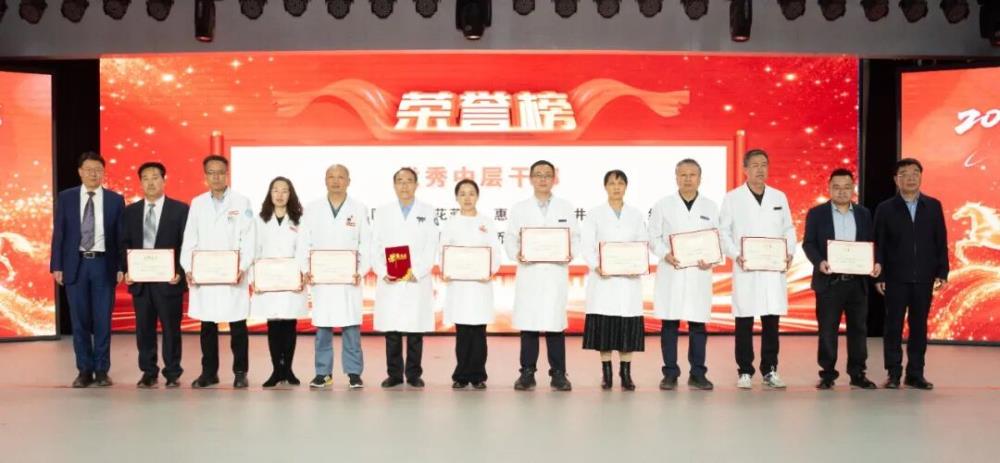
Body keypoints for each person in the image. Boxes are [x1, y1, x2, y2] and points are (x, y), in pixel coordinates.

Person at [719, 149, 796, 389]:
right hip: (747, 268)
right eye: (754, 165)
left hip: (772, 269)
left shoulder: (778, 197)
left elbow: (788, 228)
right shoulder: (733, 198)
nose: (760, 169)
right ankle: (744, 370)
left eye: (764, 164)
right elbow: (723, 232)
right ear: (745, 169)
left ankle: (770, 370)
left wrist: (789, 252)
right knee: (744, 321)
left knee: (771, 321)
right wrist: (736, 255)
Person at [180, 155, 256, 389]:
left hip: (233, 275)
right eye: (211, 173)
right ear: (205, 176)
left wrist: (242, 267)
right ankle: (209, 372)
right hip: (206, 276)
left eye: (220, 172)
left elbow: (249, 239)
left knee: (238, 326)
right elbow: (189, 238)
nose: (216, 177)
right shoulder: (197, 203)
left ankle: (240, 372)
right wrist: (189, 267)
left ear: (227, 174)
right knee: (208, 326)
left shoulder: (241, 202)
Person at [50, 151, 125, 388]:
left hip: (103, 264)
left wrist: (121, 266)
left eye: (98, 170)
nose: (94, 174)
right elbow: (59, 233)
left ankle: (102, 370)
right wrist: (57, 265)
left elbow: (120, 237)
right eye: (89, 169)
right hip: (76, 264)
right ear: (80, 172)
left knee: (103, 320)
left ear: (103, 173)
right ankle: (84, 370)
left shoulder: (115, 200)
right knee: (79, 321)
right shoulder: (67, 197)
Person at [504, 160, 580, 391]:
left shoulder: (565, 207)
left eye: (547, 174)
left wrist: (569, 252)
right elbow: (510, 238)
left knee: (555, 325)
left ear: (554, 179)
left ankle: (558, 374)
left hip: (555, 273)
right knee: (529, 326)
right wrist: (517, 253)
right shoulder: (520, 209)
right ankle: (527, 373)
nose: (543, 179)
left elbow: (575, 238)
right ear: (531, 179)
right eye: (538, 174)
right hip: (530, 274)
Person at [874, 158, 948, 390]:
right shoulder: (885, 208)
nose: (911, 177)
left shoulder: (933, 206)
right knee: (893, 326)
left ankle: (915, 374)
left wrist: (942, 271)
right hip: (895, 277)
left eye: (915, 173)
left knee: (919, 327)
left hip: (924, 277)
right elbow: (878, 244)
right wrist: (879, 276)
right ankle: (893, 373)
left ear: (921, 177)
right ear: (896, 180)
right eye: (904, 173)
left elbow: (940, 241)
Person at [802, 168, 880, 390]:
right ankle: (827, 374)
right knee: (827, 330)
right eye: (836, 187)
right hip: (829, 282)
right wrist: (819, 262)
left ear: (853, 188)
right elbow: (808, 244)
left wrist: (875, 262)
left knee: (858, 330)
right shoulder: (817, 213)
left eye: (847, 187)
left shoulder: (864, 213)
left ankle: (858, 373)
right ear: (829, 188)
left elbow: (872, 243)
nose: (842, 191)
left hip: (857, 282)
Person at [648, 158, 719, 391]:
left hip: (699, 273)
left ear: (700, 178)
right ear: (676, 177)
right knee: (669, 324)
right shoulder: (663, 205)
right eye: (683, 175)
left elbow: (717, 238)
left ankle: (698, 373)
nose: (687, 179)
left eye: (692, 175)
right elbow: (653, 237)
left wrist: (711, 258)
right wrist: (665, 254)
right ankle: (670, 373)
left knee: (698, 325)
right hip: (672, 271)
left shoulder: (710, 207)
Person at [119, 162, 189, 388]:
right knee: (144, 329)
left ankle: (172, 372)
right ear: (140, 182)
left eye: (155, 177)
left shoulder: (180, 210)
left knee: (171, 329)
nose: (150, 182)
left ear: (164, 180)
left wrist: (180, 272)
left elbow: (187, 244)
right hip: (140, 281)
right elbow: (124, 243)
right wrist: (127, 270)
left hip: (169, 280)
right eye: (146, 178)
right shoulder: (130, 212)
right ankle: (148, 372)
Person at [302, 164, 370, 389]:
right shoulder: (312, 209)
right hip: (321, 278)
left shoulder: (358, 208)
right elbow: (303, 242)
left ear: (348, 181)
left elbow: (366, 243)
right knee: (323, 326)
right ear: (325, 180)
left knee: (351, 327)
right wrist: (306, 269)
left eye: (341, 177)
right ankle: (323, 373)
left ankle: (353, 373)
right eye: (331, 176)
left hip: (348, 278)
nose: (336, 181)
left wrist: (360, 271)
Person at [371, 167, 439, 388]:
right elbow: (375, 246)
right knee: (392, 331)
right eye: (400, 181)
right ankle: (394, 374)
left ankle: (413, 374)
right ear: (394, 185)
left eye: (409, 180)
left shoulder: (428, 211)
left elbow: (431, 246)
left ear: (416, 185)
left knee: (415, 330)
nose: (404, 185)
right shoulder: (382, 212)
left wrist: (416, 272)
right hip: (390, 279)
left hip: (416, 279)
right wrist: (383, 271)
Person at [581, 170, 647, 391]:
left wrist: (637, 264)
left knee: (627, 328)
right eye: (611, 183)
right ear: (605, 187)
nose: (616, 187)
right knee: (605, 328)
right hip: (604, 280)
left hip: (628, 280)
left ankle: (626, 373)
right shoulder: (594, 214)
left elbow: (642, 243)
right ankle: (607, 373)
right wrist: (596, 265)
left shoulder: (635, 215)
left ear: (626, 186)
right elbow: (587, 246)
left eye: (620, 183)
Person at [439, 179, 500, 390]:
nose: (467, 198)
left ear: (477, 196)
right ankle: (461, 375)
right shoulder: (450, 223)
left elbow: (495, 252)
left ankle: (478, 376)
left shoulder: (487, 222)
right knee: (463, 333)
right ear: (456, 198)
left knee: (479, 333)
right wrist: (446, 269)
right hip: (460, 286)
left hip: (480, 285)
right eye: (462, 194)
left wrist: (489, 270)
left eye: (471, 193)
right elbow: (443, 251)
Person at [250, 177, 308, 388]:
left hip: (292, 280)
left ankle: (288, 370)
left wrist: (304, 273)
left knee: (290, 325)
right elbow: (253, 249)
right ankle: (276, 370)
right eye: (276, 190)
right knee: (273, 325)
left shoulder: (300, 220)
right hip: (268, 281)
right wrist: (254, 278)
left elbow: (304, 249)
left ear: (290, 194)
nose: (280, 194)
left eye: (285, 190)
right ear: (270, 193)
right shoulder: (259, 220)